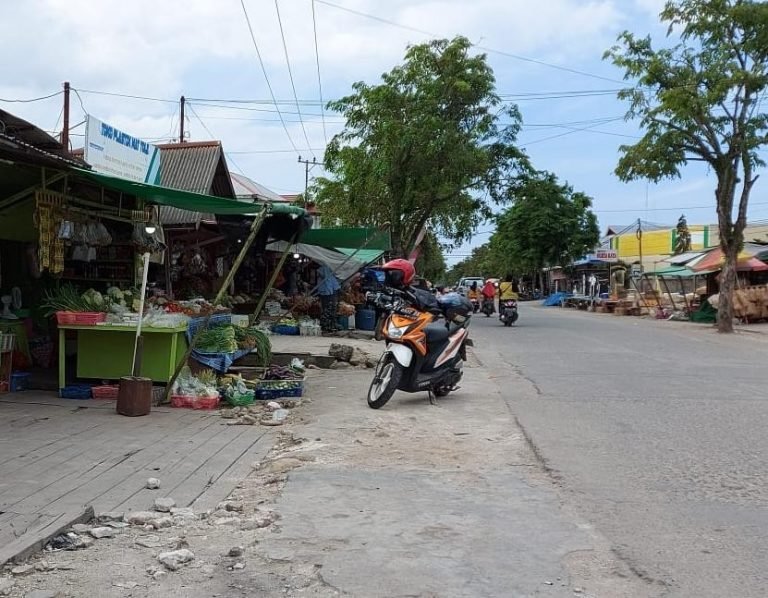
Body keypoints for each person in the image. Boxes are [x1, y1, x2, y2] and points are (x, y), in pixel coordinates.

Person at [316, 263, 341, 333]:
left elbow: (327, 281)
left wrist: (329, 292)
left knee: (328, 309)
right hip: (329, 291)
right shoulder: (326, 268)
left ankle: (328, 326)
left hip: (328, 292)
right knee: (329, 309)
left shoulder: (324, 268)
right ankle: (330, 326)